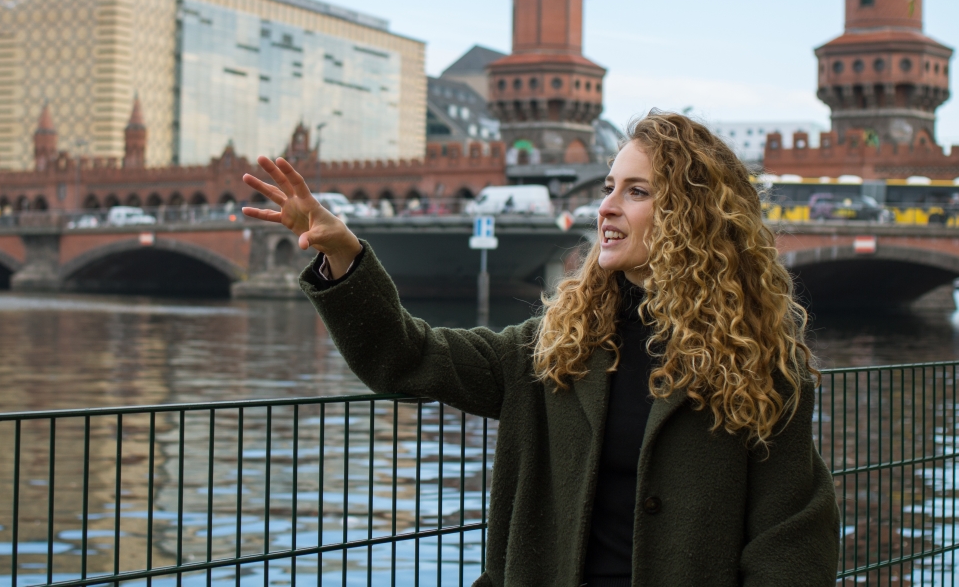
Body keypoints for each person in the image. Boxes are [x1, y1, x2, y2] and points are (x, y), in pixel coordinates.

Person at [242, 111, 840, 587]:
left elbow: (790, 543)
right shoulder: (553, 348)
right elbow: (406, 357)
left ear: (692, 216)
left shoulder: (762, 367)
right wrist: (345, 256)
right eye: (609, 188)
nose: (605, 206)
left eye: (635, 191)